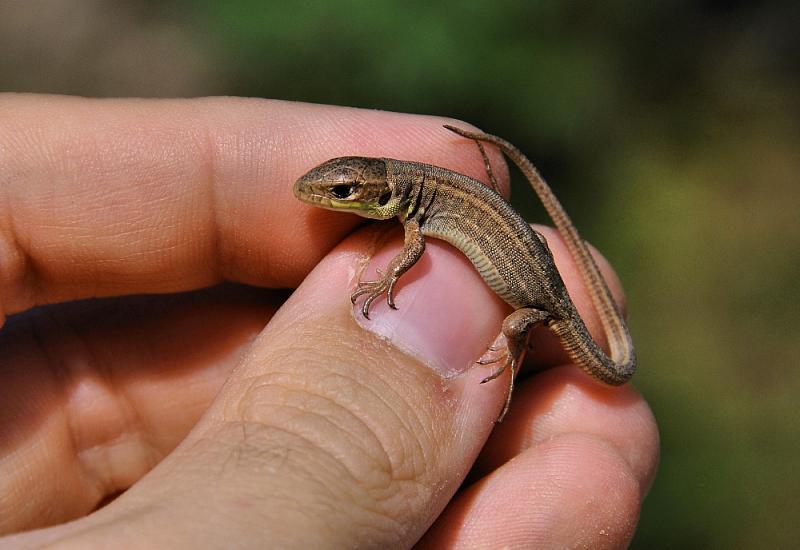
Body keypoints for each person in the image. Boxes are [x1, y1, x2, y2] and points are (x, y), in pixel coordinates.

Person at [0, 95, 658, 548]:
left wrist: (411, 291)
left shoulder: (419, 214)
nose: (329, 200)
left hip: (537, 307)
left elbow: (415, 252)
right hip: (534, 273)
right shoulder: (418, 194)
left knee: (516, 334)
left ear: (382, 193)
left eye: (343, 194)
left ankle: (506, 358)